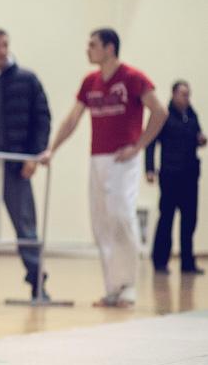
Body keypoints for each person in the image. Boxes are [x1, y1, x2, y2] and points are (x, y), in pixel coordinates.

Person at [40, 28, 168, 308]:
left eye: (93, 45)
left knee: (121, 216)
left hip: (123, 160)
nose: (88, 49)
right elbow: (72, 119)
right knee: (101, 222)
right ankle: (112, 288)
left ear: (110, 48)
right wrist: (53, 149)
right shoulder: (90, 82)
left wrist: (139, 146)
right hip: (97, 159)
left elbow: (159, 111)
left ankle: (128, 286)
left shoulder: (133, 77)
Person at [0, 28, 51, 302]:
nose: (1, 50)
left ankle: (37, 283)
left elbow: (41, 118)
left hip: (15, 166)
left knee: (26, 227)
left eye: (5, 45)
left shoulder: (27, 80)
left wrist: (33, 156)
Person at [145, 80, 205, 275]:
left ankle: (187, 262)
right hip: (170, 175)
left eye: (188, 94)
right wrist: (149, 169)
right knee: (167, 218)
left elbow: (197, 135)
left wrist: (201, 140)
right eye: (183, 94)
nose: (186, 98)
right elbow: (150, 142)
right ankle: (160, 261)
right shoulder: (163, 115)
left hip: (189, 176)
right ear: (173, 94)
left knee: (189, 220)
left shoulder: (192, 115)